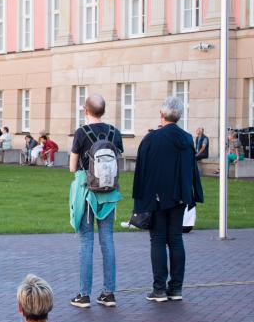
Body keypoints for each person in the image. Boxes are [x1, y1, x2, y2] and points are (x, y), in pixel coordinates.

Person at [133, 97, 203, 302]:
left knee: (158, 240)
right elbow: (191, 170)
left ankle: (159, 289)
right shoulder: (187, 138)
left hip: (156, 197)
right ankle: (176, 288)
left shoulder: (151, 139)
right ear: (179, 116)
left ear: (161, 115)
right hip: (180, 196)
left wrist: (140, 201)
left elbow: (142, 172)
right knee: (175, 239)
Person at [69, 94, 123, 308]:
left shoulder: (81, 133)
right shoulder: (115, 133)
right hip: (109, 192)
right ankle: (109, 293)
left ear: (86, 110)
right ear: (104, 110)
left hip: (87, 191)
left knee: (86, 241)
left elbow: (73, 167)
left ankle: (84, 294)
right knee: (107, 239)